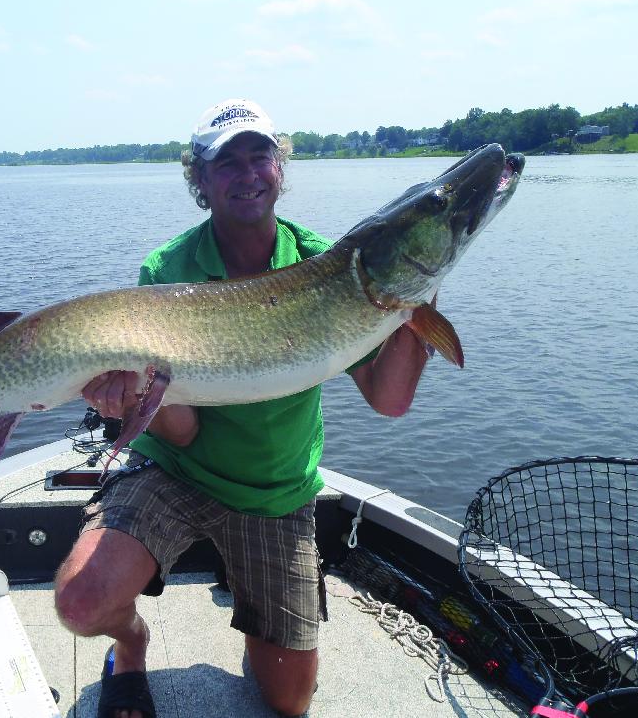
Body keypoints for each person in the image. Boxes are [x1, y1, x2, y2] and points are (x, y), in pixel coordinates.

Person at [54, 99, 433, 718]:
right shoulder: (167, 269)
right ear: (199, 181)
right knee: (81, 603)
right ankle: (130, 643)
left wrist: (420, 295)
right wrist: (130, 402)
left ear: (280, 166)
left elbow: (389, 399)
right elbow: (181, 429)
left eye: (260, 155)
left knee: (289, 703)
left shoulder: (329, 265)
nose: (247, 172)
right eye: (225, 161)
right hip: (177, 473)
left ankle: (260, 612)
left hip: (276, 493)